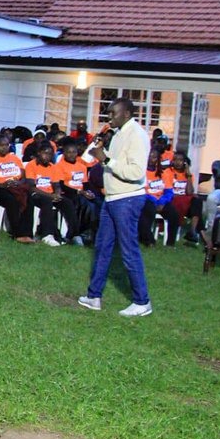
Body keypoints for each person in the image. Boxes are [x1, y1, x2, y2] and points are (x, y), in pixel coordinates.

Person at [78, 97, 152, 317]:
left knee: (128, 250)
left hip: (127, 199)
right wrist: (101, 152)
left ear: (127, 114)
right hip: (112, 199)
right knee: (102, 247)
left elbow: (136, 172)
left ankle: (142, 301)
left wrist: (107, 160)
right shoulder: (119, 133)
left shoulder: (137, 135)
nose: (109, 118)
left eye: (113, 114)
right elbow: (94, 160)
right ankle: (94, 296)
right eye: (108, 114)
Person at [24, 142, 76, 246]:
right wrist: (50, 196)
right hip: (36, 194)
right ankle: (47, 235)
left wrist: (57, 194)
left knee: (67, 203)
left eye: (50, 154)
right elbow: (31, 187)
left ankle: (73, 234)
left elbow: (56, 185)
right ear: (39, 153)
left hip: (50, 194)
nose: (47, 156)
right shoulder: (31, 165)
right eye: (45, 153)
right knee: (47, 202)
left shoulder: (53, 167)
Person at [138, 148, 179, 246]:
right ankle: (148, 240)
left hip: (161, 200)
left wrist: (161, 202)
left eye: (155, 157)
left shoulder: (163, 173)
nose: (152, 159)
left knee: (174, 214)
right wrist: (154, 201)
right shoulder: (141, 173)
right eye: (150, 157)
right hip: (147, 199)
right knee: (149, 210)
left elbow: (169, 191)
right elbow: (141, 191)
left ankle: (170, 243)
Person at [169, 153, 204, 243]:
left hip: (185, 202)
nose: (177, 162)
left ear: (185, 162)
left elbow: (189, 192)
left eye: (180, 160)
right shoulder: (168, 172)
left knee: (197, 200)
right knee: (194, 202)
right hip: (172, 200)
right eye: (175, 159)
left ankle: (192, 231)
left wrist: (188, 175)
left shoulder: (189, 175)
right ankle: (195, 231)